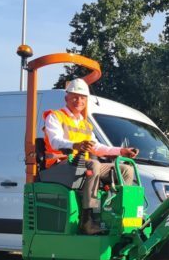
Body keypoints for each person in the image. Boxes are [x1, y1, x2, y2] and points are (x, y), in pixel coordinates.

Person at [40, 78, 139, 235]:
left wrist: (121, 151)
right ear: (66, 98)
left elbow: (97, 147)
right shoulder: (55, 116)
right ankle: (87, 220)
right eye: (74, 96)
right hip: (60, 165)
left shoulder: (85, 124)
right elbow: (55, 141)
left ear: (86, 101)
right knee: (94, 165)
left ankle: (120, 213)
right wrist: (76, 145)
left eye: (82, 97)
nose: (78, 100)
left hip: (80, 164)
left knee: (126, 169)